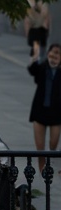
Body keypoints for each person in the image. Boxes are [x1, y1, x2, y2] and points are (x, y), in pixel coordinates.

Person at [27, 42, 61, 173]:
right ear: (47, 54)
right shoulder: (42, 68)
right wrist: (35, 55)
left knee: (53, 144)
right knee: (40, 147)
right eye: (52, 52)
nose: (54, 56)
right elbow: (32, 69)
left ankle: (51, 166)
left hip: (56, 114)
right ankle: (42, 171)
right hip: (40, 113)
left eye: (58, 53)